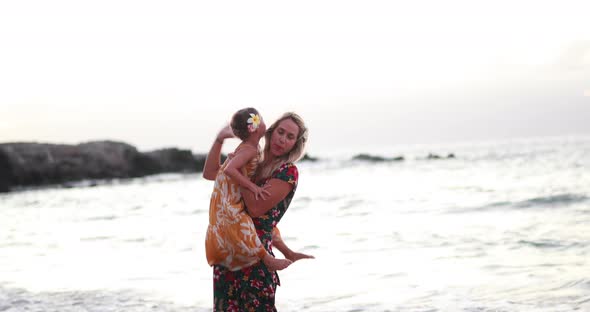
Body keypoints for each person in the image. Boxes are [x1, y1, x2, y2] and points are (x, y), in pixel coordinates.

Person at [203, 112, 314, 311]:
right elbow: (210, 173)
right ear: (271, 132)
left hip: (255, 260)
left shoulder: (287, 172)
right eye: (280, 132)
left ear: (295, 144)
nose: (282, 139)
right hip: (228, 252)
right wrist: (220, 140)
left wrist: (240, 172)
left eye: (290, 137)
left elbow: (255, 209)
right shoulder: (254, 158)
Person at [204, 107, 293, 272]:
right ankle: (267, 258)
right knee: (243, 223)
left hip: (226, 194)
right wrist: (252, 186)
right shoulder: (250, 149)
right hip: (228, 196)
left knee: (238, 226)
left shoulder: (249, 148)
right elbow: (230, 169)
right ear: (256, 127)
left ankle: (275, 253)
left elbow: (228, 169)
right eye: (262, 120)